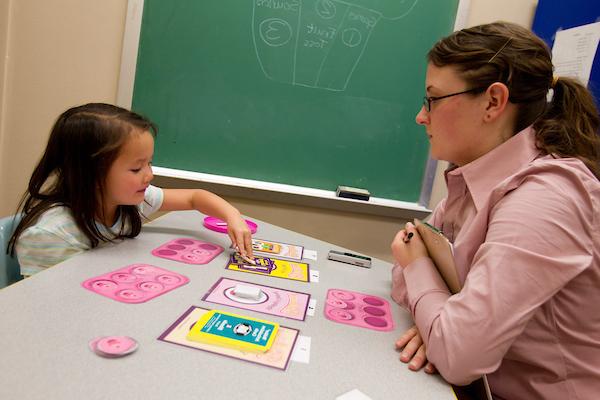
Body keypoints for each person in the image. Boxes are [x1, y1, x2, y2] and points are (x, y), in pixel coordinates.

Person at [390, 22, 600, 400]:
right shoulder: (473, 178)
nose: (421, 117)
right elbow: (402, 268)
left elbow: (456, 351)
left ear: (493, 102)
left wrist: (443, 324)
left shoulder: (545, 198)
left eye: (433, 99)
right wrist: (438, 321)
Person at [8, 103, 254, 276]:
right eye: (136, 169)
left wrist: (233, 216)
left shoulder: (132, 199)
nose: (149, 175)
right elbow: (44, 309)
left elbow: (194, 197)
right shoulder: (52, 235)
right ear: (91, 173)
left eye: (149, 163)